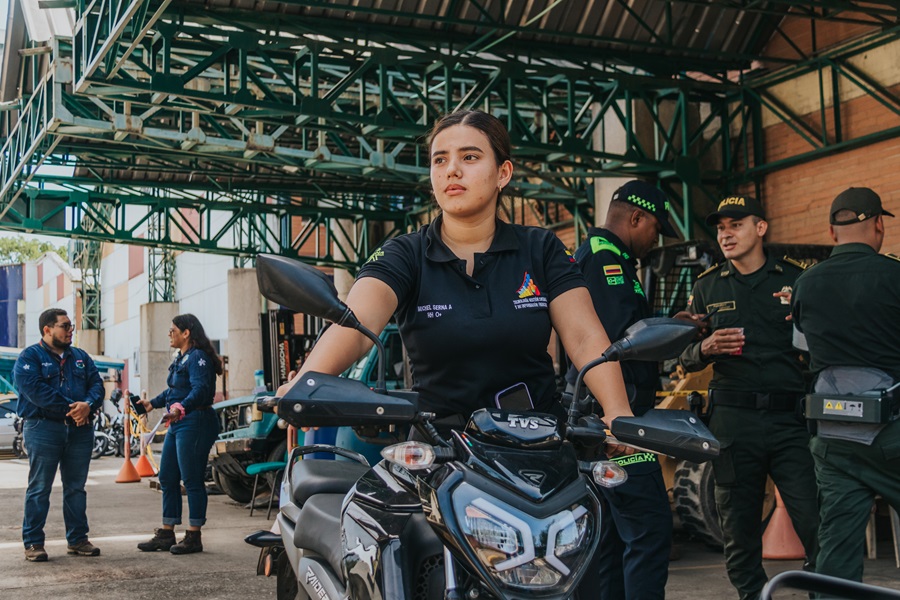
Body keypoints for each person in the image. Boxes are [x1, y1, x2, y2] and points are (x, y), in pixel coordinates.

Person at [277, 108, 633, 454]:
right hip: (438, 451)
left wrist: (618, 411)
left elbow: (586, 338)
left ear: (503, 173)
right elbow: (356, 326)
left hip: (538, 445)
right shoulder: (406, 253)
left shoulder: (541, 249)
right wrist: (308, 380)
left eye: (470, 157)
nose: (452, 171)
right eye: (440, 160)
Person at [678, 195, 819, 600]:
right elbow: (683, 356)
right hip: (733, 422)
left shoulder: (795, 281)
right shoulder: (706, 287)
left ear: (760, 228)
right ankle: (753, 596)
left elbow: (820, 344)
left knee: (814, 518)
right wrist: (704, 350)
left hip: (790, 420)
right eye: (721, 227)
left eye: (736, 225)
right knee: (738, 530)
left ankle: (822, 590)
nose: (726, 234)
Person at [566, 180, 678, 600]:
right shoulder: (606, 262)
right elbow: (611, 343)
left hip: (605, 420)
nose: (655, 238)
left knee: (610, 536)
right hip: (621, 427)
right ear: (636, 217)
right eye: (655, 228)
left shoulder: (603, 258)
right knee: (649, 529)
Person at [791, 187, 900, 584]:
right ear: (879, 225)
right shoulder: (894, 275)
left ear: (833, 232)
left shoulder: (806, 284)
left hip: (833, 434)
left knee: (837, 543)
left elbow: (803, 351)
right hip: (892, 430)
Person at [13, 308, 104, 562]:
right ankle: (33, 543)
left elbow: (97, 385)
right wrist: (74, 408)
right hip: (44, 428)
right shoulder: (29, 357)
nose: (70, 331)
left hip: (80, 430)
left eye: (71, 326)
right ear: (47, 330)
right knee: (40, 487)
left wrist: (88, 404)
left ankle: (77, 540)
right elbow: (35, 390)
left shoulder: (81, 357)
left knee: (76, 488)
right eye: (65, 326)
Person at [135, 314, 221, 554]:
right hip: (179, 422)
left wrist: (180, 407)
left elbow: (200, 390)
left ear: (187, 333)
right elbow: (174, 390)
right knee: (167, 477)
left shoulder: (198, 358)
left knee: (191, 478)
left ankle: (194, 535)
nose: (169, 334)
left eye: (173, 330)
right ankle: (167, 532)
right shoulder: (181, 359)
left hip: (196, 421)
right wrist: (150, 404)